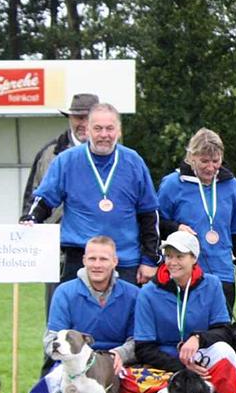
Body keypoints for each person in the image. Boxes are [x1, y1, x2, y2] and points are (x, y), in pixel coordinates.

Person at [23, 102, 160, 285]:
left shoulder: (133, 162)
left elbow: (149, 213)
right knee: (74, 304)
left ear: (119, 131)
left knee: (125, 305)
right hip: (80, 258)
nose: (104, 134)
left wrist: (150, 259)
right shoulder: (67, 161)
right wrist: (31, 218)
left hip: (124, 260)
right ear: (87, 131)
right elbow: (44, 200)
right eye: (98, 128)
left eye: (109, 128)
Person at [18, 235, 139, 393]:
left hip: (116, 363)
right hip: (74, 362)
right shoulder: (64, 292)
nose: (97, 265)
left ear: (115, 261)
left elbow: (139, 339)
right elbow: (51, 340)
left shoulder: (133, 294)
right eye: (92, 258)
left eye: (103, 259)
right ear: (84, 260)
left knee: (140, 385)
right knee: (60, 379)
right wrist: (77, 359)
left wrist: (120, 354)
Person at [132, 231, 236, 393]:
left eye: (179, 256)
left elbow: (224, 331)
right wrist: (184, 368)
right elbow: (143, 348)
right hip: (164, 363)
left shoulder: (212, 284)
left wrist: (197, 338)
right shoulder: (148, 293)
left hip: (199, 357)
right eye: (168, 256)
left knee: (225, 351)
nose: (172, 262)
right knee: (132, 385)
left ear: (194, 258)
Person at [158, 128, 236, 318]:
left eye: (215, 161)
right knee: (185, 326)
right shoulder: (173, 184)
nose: (210, 167)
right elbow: (156, 222)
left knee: (220, 328)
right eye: (204, 161)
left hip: (222, 272)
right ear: (191, 157)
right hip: (184, 271)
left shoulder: (231, 185)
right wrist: (176, 228)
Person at [20, 92, 98, 315]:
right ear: (69, 118)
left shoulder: (115, 154)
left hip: (100, 251)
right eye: (78, 117)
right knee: (59, 315)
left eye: (88, 117)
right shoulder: (49, 154)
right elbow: (32, 199)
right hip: (58, 254)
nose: (83, 123)